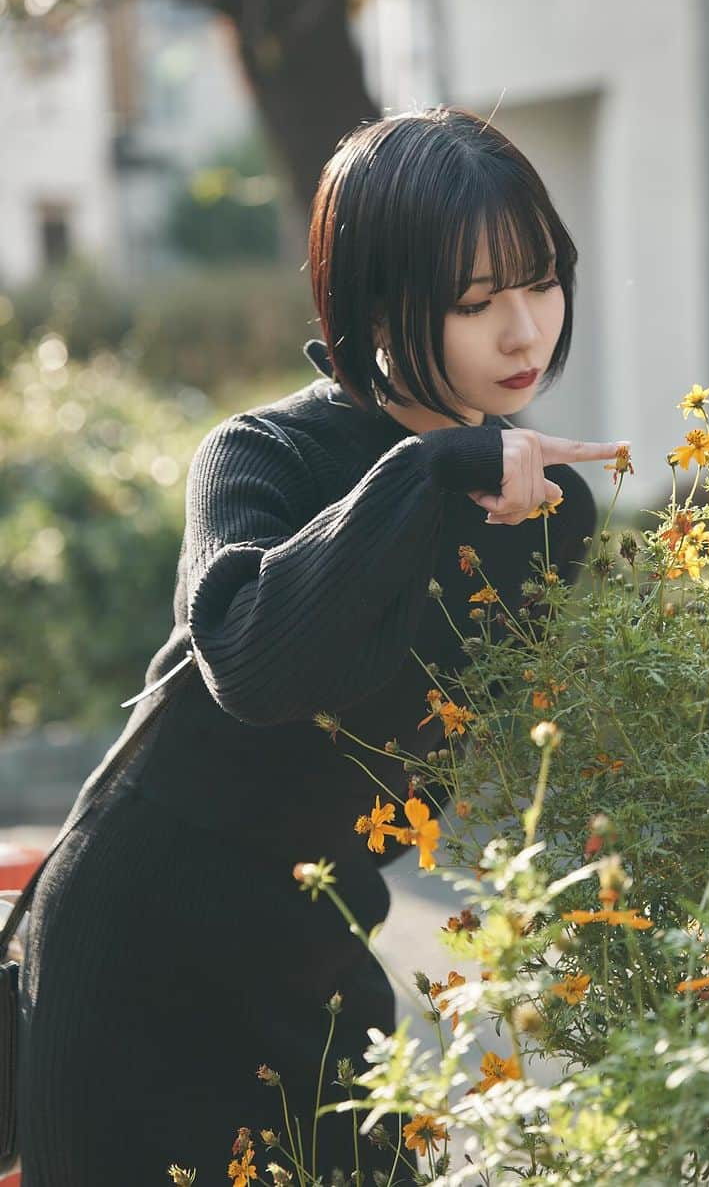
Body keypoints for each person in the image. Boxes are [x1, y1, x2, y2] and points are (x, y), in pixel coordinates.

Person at [15, 105, 629, 1184]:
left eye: (541, 282)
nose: (526, 332)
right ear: (377, 305)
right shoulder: (260, 455)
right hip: (137, 941)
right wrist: (424, 470)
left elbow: (518, 749)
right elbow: (253, 663)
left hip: (315, 944)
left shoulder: (549, 512)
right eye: (476, 302)